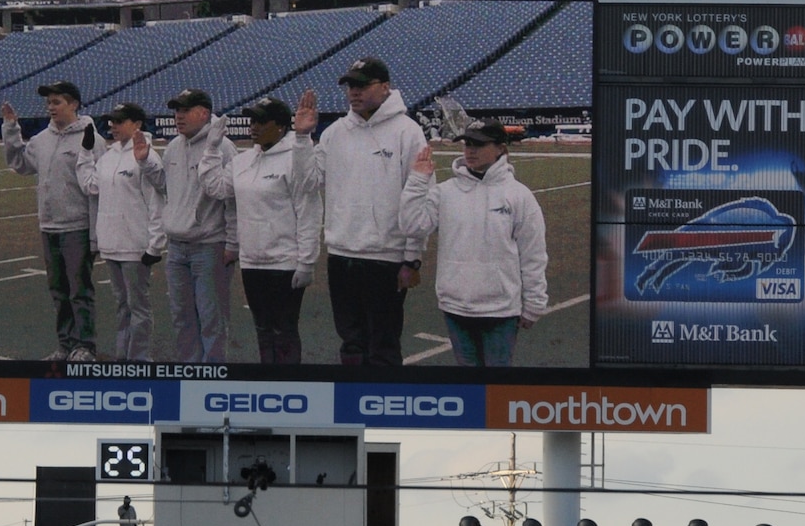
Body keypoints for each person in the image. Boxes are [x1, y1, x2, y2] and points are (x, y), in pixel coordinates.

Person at [295, 58, 428, 365]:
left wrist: (412, 257)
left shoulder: (408, 132)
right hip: (342, 255)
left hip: (386, 258)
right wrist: (302, 138)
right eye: (350, 86)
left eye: (362, 85)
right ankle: (353, 405)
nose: (354, 92)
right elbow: (307, 182)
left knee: (383, 345)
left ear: (385, 88)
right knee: (351, 343)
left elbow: (421, 197)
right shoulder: (335, 133)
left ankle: (381, 409)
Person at [399, 119, 548, 366]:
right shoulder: (445, 192)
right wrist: (417, 181)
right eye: (467, 143)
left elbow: (533, 254)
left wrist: (534, 304)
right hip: (455, 307)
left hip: (500, 310)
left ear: (501, 148)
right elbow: (412, 226)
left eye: (478, 144)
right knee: (467, 386)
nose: (470, 150)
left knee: (496, 388)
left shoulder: (519, 196)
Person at [198, 97, 320, 363]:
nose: (253, 126)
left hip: (285, 263)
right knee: (263, 330)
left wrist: (307, 262)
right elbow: (215, 188)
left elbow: (308, 211)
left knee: (284, 331)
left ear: (279, 127)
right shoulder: (243, 161)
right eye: (252, 120)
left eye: (261, 121)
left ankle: (288, 387)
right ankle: (268, 382)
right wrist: (211, 148)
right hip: (252, 261)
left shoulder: (294, 159)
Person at [0, 81, 100, 363]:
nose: (51, 108)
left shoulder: (91, 139)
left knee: (80, 290)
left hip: (78, 227)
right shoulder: (42, 139)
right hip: (49, 226)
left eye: (57, 102)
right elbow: (20, 164)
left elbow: (100, 188)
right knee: (59, 291)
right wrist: (10, 128)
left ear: (74, 105)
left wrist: (96, 234)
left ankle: (85, 346)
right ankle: (66, 345)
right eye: (49, 103)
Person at [154, 89, 237, 362]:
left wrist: (233, 242)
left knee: (211, 317)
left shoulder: (223, 147)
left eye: (185, 110)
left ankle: (212, 375)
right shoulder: (173, 146)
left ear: (203, 113)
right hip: (177, 248)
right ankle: (189, 369)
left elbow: (232, 199)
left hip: (209, 245)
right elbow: (168, 189)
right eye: (176, 110)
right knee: (182, 317)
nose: (178, 116)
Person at [78, 102, 166, 361]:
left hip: (135, 247)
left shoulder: (146, 156)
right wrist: (85, 153)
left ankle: (138, 359)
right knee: (121, 306)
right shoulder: (108, 156)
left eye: (119, 120)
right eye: (111, 121)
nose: (112, 125)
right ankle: (122, 356)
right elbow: (91, 187)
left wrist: (155, 245)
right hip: (111, 244)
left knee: (137, 307)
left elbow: (156, 201)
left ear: (136, 124)